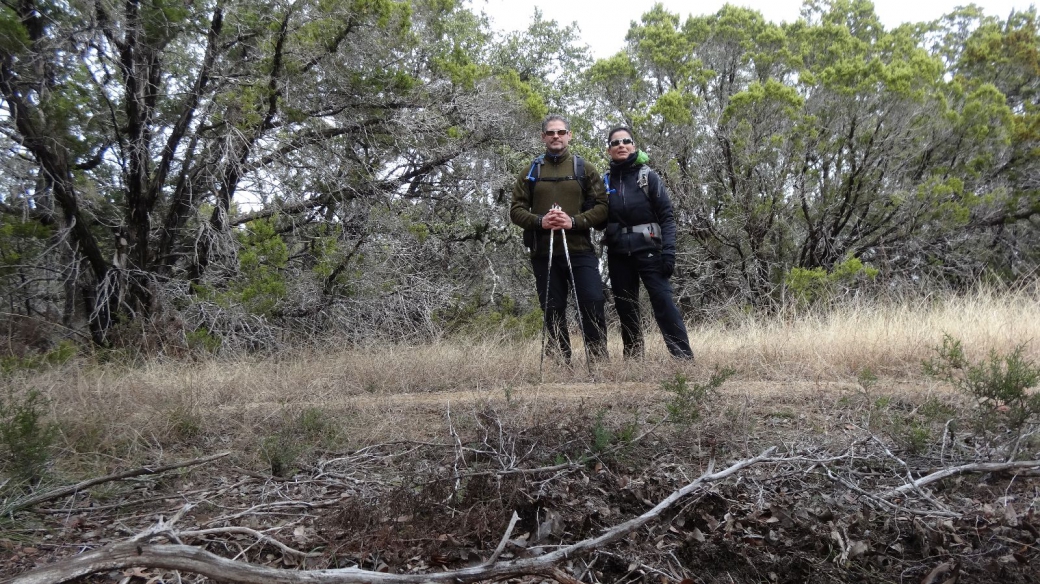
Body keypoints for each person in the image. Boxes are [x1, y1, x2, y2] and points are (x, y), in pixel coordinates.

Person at [510, 114, 609, 364]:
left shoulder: (584, 169)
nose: (556, 136)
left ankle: (598, 360)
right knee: (552, 308)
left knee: (592, 302)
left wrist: (574, 221)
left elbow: (603, 207)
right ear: (543, 137)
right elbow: (516, 210)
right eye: (551, 133)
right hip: (544, 252)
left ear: (569, 135)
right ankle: (559, 361)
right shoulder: (530, 171)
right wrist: (540, 221)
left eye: (561, 132)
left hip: (580, 250)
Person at [601, 127, 693, 360]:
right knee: (625, 307)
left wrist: (669, 252)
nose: (621, 145)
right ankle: (633, 361)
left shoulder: (648, 176)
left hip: (650, 250)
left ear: (634, 145)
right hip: (618, 253)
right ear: (609, 149)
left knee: (663, 302)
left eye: (626, 141)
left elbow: (667, 217)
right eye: (615, 142)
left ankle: (683, 358)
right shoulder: (604, 182)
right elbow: (596, 218)